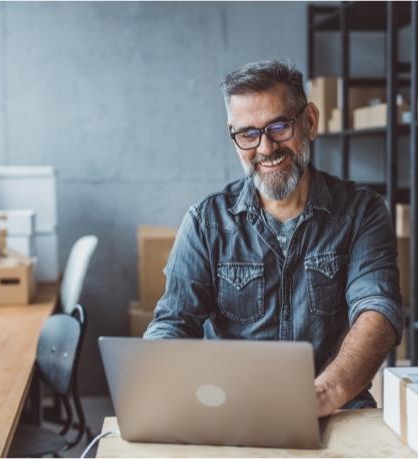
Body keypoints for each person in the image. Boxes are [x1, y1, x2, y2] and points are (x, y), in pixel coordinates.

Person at [144, 60, 402, 416]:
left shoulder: (362, 212)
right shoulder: (206, 223)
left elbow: (378, 309)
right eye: (248, 134)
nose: (265, 148)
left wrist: (324, 393)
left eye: (279, 126)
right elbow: (173, 322)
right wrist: (156, 383)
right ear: (233, 135)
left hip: (335, 409)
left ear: (310, 121)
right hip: (232, 411)